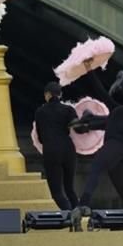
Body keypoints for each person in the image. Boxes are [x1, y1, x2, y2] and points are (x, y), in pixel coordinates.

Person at [69, 72, 123, 230]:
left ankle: (83, 204)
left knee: (96, 165)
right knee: (122, 187)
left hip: (117, 144)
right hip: (117, 148)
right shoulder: (116, 110)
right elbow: (101, 93)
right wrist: (89, 71)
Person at [33, 81, 79, 210]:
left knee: (56, 191)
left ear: (47, 95)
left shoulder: (40, 112)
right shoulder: (69, 110)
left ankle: (69, 213)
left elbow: (40, 136)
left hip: (51, 150)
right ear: (60, 94)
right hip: (68, 149)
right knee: (70, 188)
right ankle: (79, 213)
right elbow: (78, 127)